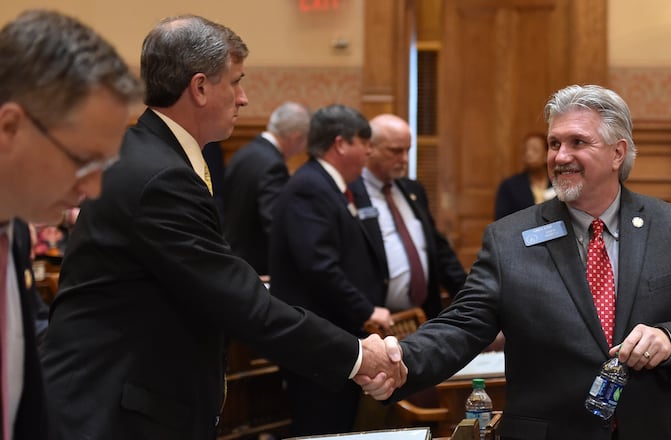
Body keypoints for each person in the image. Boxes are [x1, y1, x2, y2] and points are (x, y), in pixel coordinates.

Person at [40, 16, 404, 440]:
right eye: (236, 82)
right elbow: (240, 302)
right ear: (199, 88)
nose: (244, 98)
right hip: (111, 412)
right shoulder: (161, 177)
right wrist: (358, 356)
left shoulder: (154, 156)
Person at [359, 84, 671, 440]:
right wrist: (401, 360)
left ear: (617, 153)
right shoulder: (510, 239)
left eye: (578, 142)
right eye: (554, 143)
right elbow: (461, 326)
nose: (560, 157)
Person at [0, 9, 142, 439]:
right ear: (10, 127)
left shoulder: (15, 233)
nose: (94, 189)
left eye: (104, 166)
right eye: (83, 161)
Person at [269, 104, 390, 436]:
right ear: (340, 144)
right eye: (364, 142)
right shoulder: (309, 187)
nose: (369, 151)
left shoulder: (331, 185)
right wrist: (367, 310)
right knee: (323, 428)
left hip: (335, 340)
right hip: (317, 345)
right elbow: (319, 266)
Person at [348, 114, 467, 319]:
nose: (404, 159)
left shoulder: (412, 189)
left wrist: (470, 297)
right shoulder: (349, 193)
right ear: (370, 148)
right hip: (373, 321)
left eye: (407, 150)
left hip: (423, 316)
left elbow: (438, 250)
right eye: (395, 151)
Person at [223, 101, 310, 276]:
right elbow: (275, 222)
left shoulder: (243, 152)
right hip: (256, 268)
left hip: (231, 255)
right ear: (296, 137)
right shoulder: (273, 166)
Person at [494, 133, 555, 220]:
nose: (528, 153)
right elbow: (501, 220)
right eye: (525, 150)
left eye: (534, 150)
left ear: (546, 155)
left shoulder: (556, 182)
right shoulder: (509, 186)